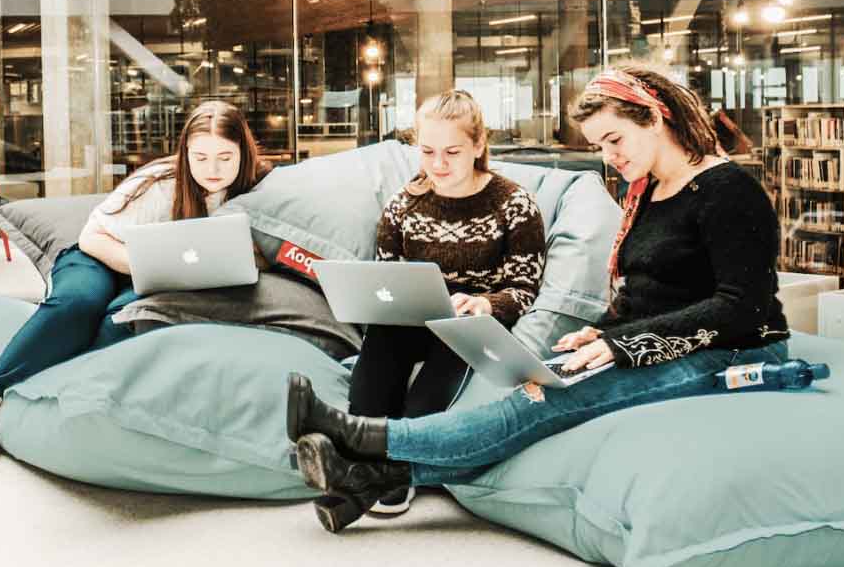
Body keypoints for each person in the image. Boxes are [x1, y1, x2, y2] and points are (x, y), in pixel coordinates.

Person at [285, 64, 786, 533]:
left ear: (655, 117)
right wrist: (604, 331)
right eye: (600, 147)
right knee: (532, 388)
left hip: (737, 350)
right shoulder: (649, 191)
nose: (611, 157)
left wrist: (621, 343)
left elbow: (743, 307)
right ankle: (372, 484)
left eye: (615, 140)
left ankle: (357, 441)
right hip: (660, 342)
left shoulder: (729, 191)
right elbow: (652, 295)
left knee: (535, 406)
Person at [0, 100, 271, 462]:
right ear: (185, 152)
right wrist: (146, 267)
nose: (212, 169)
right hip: (100, 258)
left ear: (242, 152)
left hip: (164, 280)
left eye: (224, 158)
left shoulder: (260, 187)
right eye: (200, 158)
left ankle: (43, 391)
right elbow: (93, 237)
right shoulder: (157, 182)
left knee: (122, 321)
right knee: (80, 304)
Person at [320, 90, 546, 522]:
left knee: (444, 359)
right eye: (427, 151)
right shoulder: (404, 204)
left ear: (479, 146)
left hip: (468, 326)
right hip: (408, 319)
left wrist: (485, 303)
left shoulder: (514, 204)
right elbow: (383, 278)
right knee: (384, 338)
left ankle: (387, 472)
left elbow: (524, 287)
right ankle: (359, 452)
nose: (438, 164)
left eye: (452, 151)